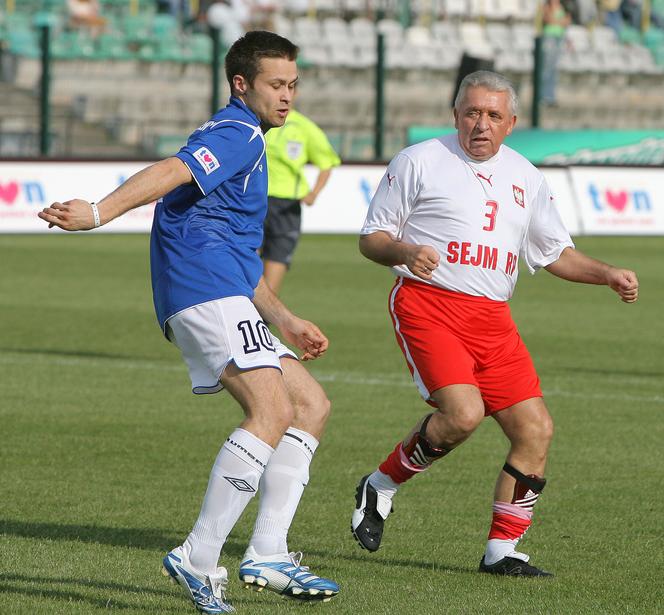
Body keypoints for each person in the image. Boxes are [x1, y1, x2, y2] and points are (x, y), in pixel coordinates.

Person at [38, 31, 339, 613]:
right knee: (271, 410)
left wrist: (285, 317)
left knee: (309, 406)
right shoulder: (238, 134)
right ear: (241, 84)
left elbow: (232, 247)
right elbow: (172, 171)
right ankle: (199, 557)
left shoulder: (242, 137)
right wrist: (99, 212)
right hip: (203, 291)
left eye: (293, 85)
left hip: (223, 286)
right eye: (276, 85)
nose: (287, 96)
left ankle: (268, 553)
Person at [350, 71, 639, 577]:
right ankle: (381, 485)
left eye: (492, 115)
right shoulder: (419, 160)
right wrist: (404, 251)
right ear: (455, 113)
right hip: (429, 305)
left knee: (535, 430)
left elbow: (555, 253)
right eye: (471, 112)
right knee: (463, 414)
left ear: (511, 123)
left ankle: (501, 552)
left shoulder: (526, 176)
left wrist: (607, 274)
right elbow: (372, 237)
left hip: (493, 318)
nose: (480, 124)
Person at [262, 93, 340, 295]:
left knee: (271, 284)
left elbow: (327, 162)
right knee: (244, 271)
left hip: (287, 208)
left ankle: (262, 322)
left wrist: (313, 193)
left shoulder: (304, 127)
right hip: (253, 202)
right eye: (276, 87)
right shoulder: (256, 122)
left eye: (289, 88)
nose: (283, 95)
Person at [540, 0, 570, 106]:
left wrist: (557, 21)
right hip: (549, 38)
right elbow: (547, 19)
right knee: (546, 68)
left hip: (559, 38)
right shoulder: (546, 5)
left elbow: (567, 21)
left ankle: (550, 96)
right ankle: (542, 96)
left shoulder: (563, 6)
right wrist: (559, 21)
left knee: (553, 69)